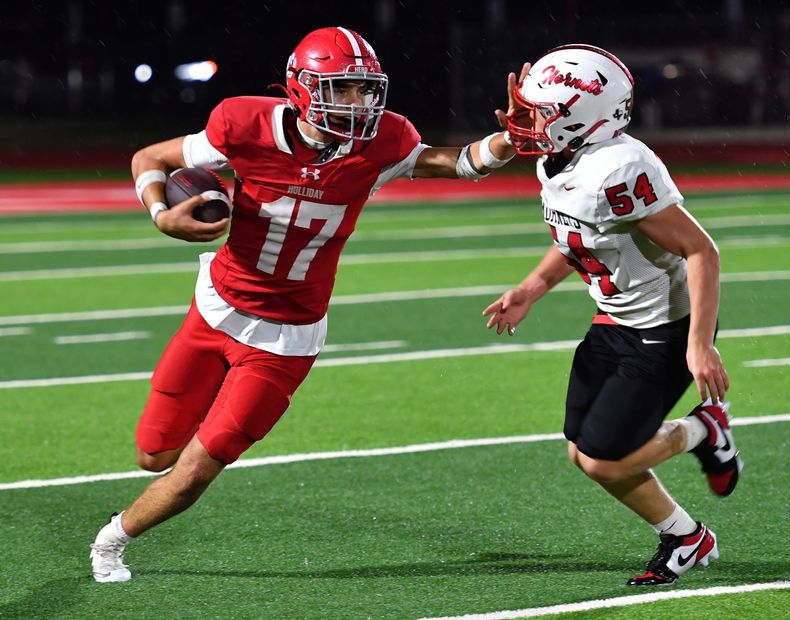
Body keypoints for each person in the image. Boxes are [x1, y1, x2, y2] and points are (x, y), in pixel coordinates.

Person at [89, 26, 525, 583]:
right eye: (342, 89)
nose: (358, 104)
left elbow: (462, 161)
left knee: (198, 469)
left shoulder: (384, 141)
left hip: (285, 339)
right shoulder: (242, 122)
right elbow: (151, 157)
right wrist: (160, 212)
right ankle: (182, 448)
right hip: (215, 308)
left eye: (365, 90)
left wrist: (509, 137)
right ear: (300, 87)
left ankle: (110, 541)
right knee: (153, 456)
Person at [482, 44, 743, 586]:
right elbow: (581, 234)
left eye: (539, 112)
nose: (524, 121)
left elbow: (702, 252)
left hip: (665, 328)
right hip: (615, 318)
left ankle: (703, 430)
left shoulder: (619, 170)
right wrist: (533, 287)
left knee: (606, 458)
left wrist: (699, 344)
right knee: (582, 451)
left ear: (582, 118)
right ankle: (686, 536)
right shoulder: (564, 159)